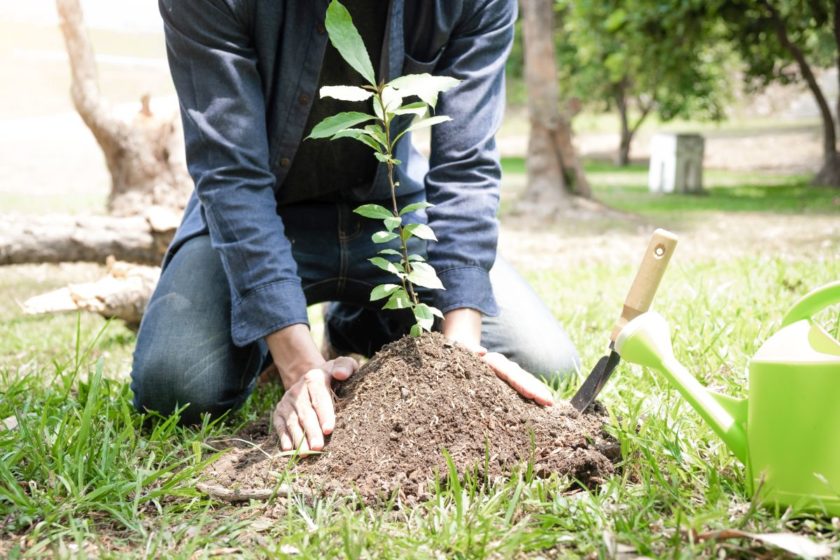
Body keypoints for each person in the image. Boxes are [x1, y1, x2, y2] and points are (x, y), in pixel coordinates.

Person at [131, 0, 580, 453]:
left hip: (393, 216)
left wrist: (458, 363)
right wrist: (298, 366)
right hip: (260, 212)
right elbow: (231, 175)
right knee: (175, 390)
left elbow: (466, 166)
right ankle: (272, 333)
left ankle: (357, 322)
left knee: (544, 361)